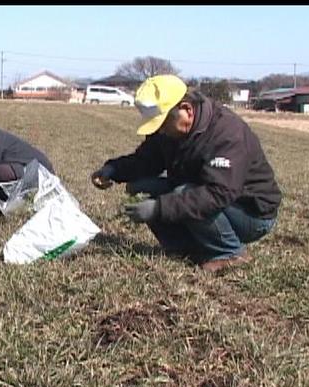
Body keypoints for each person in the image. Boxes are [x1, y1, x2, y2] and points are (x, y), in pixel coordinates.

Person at [91, 75, 282, 273]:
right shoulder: (169, 132)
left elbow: (217, 194)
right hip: (204, 189)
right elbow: (146, 160)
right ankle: (186, 249)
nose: (161, 132)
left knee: (180, 194)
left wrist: (158, 208)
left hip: (251, 212)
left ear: (187, 110)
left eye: (163, 124)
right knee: (149, 189)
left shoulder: (227, 134)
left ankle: (230, 253)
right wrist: (113, 170)